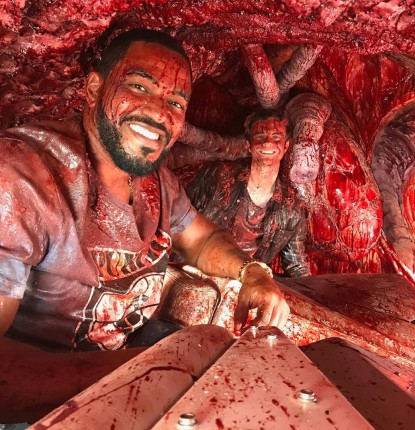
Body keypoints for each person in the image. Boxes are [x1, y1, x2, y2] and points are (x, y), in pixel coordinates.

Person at [0, 29, 288, 421]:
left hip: (132, 363)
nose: (159, 112)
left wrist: (253, 273)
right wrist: (155, 369)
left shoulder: (157, 181)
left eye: (175, 101)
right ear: (94, 89)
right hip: (45, 409)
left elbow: (201, 241)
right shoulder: (22, 175)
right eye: (139, 87)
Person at [186, 109, 311, 277]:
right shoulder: (218, 177)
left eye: (276, 137)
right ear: (248, 144)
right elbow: (179, 223)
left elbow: (296, 266)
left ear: (286, 146)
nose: (268, 143)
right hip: (199, 273)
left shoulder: (291, 207)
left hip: (248, 282)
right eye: (260, 136)